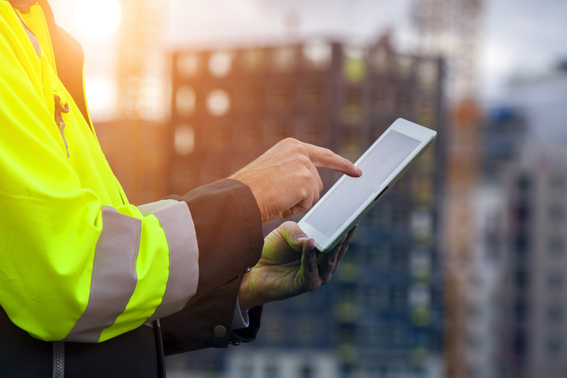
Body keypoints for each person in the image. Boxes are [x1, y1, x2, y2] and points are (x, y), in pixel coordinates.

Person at [0, 1, 361, 377]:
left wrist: (236, 286)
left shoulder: (36, 33)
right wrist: (246, 199)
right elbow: (69, 280)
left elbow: (99, 281)